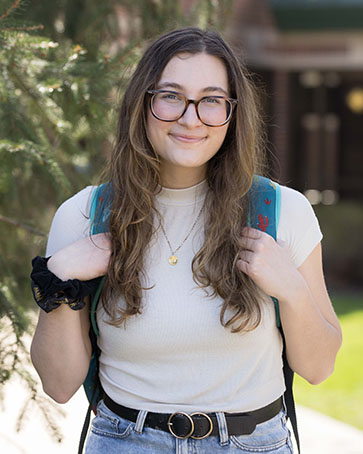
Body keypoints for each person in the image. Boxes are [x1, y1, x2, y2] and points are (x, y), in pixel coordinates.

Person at [30, 27, 342, 454]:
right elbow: (59, 384)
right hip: (125, 443)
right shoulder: (84, 217)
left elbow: (320, 367)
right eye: (171, 96)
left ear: (232, 114)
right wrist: (60, 277)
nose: (191, 118)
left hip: (254, 444)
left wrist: (293, 292)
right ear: (143, 105)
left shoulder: (281, 211)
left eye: (212, 100)